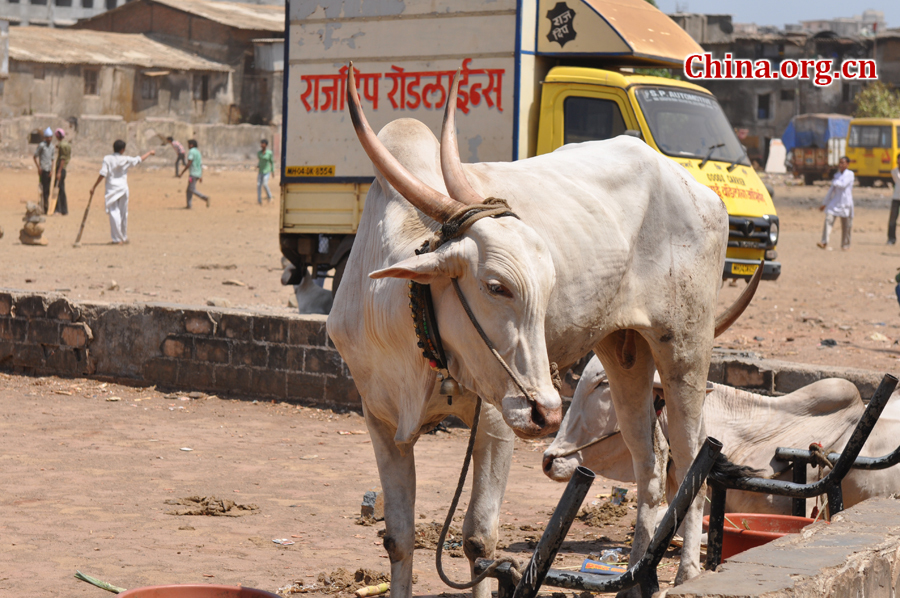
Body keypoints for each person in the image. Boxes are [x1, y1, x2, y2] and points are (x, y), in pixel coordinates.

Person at [89, 140, 155, 244]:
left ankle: (117, 239)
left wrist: (94, 186)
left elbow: (103, 173)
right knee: (123, 213)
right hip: (123, 189)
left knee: (114, 213)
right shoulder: (126, 159)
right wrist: (150, 153)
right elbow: (139, 159)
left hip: (112, 190)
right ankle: (123, 237)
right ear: (123, 150)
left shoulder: (107, 159)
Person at [818, 156, 854, 251]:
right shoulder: (836, 176)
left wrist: (834, 180)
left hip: (846, 203)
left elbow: (843, 185)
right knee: (828, 220)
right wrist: (824, 203)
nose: (841, 165)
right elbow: (831, 191)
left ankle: (845, 245)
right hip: (835, 202)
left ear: (847, 164)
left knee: (846, 226)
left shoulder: (850, 174)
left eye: (843, 163)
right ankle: (824, 242)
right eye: (840, 163)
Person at [33, 127, 55, 214]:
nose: (49, 138)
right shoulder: (41, 146)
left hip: (49, 171)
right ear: (45, 138)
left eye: (50, 137)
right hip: (42, 171)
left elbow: (53, 159)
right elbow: (35, 156)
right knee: (42, 189)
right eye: (47, 137)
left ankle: (46, 208)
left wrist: (52, 170)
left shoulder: (52, 147)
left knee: (47, 190)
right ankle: (42, 207)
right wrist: (38, 167)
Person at [185, 139, 210, 208]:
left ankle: (205, 198)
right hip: (198, 173)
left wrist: (182, 172)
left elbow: (189, 162)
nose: (188, 146)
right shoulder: (198, 152)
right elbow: (200, 164)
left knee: (191, 189)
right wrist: (201, 175)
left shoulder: (191, 151)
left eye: (188, 144)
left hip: (192, 174)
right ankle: (189, 205)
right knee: (188, 190)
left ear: (191, 145)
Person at [53, 129, 71, 216]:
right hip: (63, 169)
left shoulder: (63, 145)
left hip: (61, 168)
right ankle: (64, 210)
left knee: (58, 188)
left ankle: (58, 209)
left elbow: (62, 159)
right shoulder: (65, 144)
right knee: (61, 188)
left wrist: (59, 172)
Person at [257, 138, 274, 205]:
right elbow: (260, 161)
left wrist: (272, 171)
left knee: (265, 184)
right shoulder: (259, 153)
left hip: (267, 171)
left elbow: (272, 162)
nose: (261, 145)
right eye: (261, 143)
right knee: (258, 185)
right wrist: (258, 165)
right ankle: (259, 200)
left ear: (266, 145)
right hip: (260, 171)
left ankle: (269, 197)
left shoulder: (269, 153)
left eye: (263, 143)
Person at [889, 153, 900, 245]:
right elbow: (895, 182)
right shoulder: (894, 171)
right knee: (893, 219)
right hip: (896, 197)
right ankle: (891, 238)